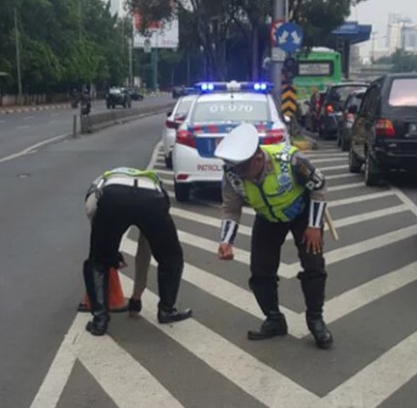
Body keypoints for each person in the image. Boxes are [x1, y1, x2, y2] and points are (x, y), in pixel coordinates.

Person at [214, 123, 333, 349]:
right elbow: (231, 208)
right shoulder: (233, 174)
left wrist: (314, 226)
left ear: (258, 158)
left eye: (244, 170)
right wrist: (225, 241)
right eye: (236, 170)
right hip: (268, 217)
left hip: (302, 213)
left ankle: (316, 320)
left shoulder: (291, 161)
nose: (240, 176)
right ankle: (274, 319)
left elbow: (319, 185)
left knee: (314, 266)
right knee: (260, 271)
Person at [83, 167, 192, 336]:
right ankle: (166, 310)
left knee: (97, 261)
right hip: (152, 201)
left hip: (114, 198)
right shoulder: (154, 182)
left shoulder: (100, 184)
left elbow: (93, 215)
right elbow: (145, 246)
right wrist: (136, 298)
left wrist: (109, 253)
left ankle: (100, 321)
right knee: (171, 258)